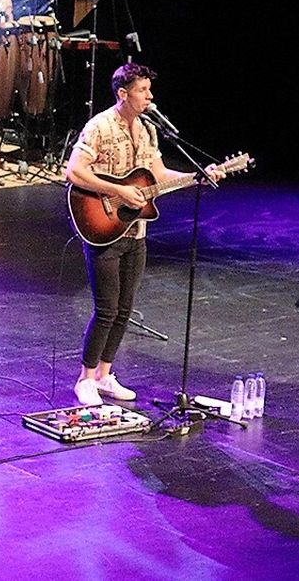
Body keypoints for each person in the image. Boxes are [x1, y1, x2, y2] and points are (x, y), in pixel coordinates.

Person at [64, 63, 223, 406]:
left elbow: (158, 173)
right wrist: (117, 192)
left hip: (135, 230)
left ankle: (105, 375)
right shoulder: (100, 126)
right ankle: (85, 378)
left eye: (150, 90)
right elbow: (74, 171)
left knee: (124, 308)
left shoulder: (148, 130)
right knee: (106, 308)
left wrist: (197, 176)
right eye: (143, 91)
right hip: (102, 225)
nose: (150, 97)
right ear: (123, 93)